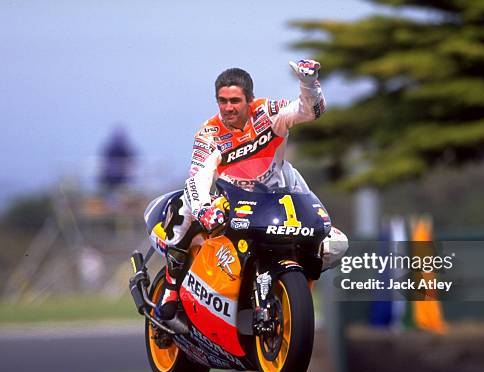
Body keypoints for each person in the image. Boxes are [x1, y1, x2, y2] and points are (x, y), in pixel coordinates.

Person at [144, 59, 348, 320]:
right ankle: (171, 289)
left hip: (278, 193)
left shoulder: (268, 112)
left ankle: (296, 294)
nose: (228, 108)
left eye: (235, 101)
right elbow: (198, 177)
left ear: (250, 100)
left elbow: (311, 111)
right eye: (222, 101)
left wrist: (308, 83)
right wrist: (204, 209)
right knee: (184, 210)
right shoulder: (208, 134)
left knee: (335, 244)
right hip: (232, 197)